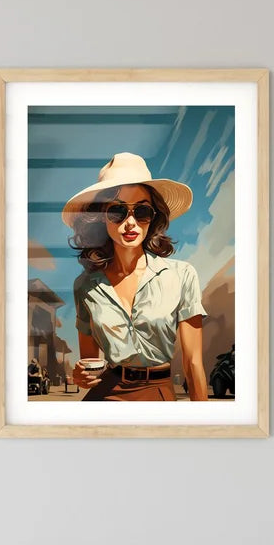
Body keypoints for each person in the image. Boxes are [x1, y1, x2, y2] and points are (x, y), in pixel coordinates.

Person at [64, 153, 208, 402]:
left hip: (158, 394)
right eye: (118, 211)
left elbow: (193, 363)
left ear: (153, 217)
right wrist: (80, 376)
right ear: (100, 218)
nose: (130, 222)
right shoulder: (85, 285)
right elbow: (91, 365)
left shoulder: (182, 275)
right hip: (104, 397)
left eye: (141, 211)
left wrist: (207, 427)